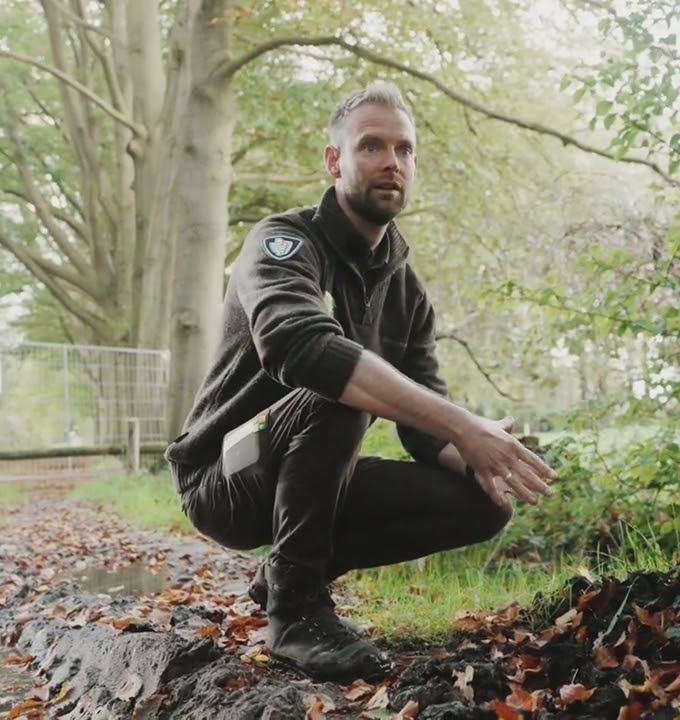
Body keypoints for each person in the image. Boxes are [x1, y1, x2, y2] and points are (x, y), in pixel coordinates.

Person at [163, 80, 557, 681]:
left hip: (312, 477)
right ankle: (295, 615)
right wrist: (461, 424)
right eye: (371, 146)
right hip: (224, 477)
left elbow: (424, 432)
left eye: (404, 149)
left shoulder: (406, 291)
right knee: (334, 383)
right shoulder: (281, 243)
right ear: (334, 160)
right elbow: (299, 346)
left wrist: (482, 455)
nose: (390, 162)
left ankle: (287, 574)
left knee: (484, 505)